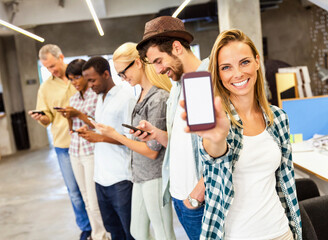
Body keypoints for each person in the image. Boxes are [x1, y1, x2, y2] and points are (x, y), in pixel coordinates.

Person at [180, 29, 302, 239]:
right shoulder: (219, 121)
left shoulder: (278, 118)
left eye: (244, 62)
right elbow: (215, 161)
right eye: (226, 67)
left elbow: (285, 182)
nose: (237, 74)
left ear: (256, 61)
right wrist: (216, 139)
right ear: (218, 74)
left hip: (281, 231)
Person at [135, 16, 208, 239]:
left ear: (176, 48)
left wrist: (197, 195)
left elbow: (229, 146)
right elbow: (183, 142)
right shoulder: (178, 86)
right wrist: (156, 134)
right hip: (178, 196)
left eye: (158, 61)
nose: (158, 70)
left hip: (198, 201)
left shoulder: (205, 81)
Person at [93, 42, 176, 240]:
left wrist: (114, 134)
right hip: (139, 175)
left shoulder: (158, 97)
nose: (123, 78)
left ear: (138, 63)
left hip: (154, 176)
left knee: (164, 232)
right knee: (137, 231)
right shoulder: (140, 95)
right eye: (119, 75)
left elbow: (152, 151)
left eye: (123, 72)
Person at [28, 44, 92, 240]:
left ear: (61, 57)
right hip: (64, 144)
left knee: (94, 189)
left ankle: (101, 224)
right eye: (47, 68)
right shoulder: (46, 87)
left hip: (89, 141)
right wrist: (42, 118)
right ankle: (86, 228)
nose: (51, 70)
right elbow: (47, 117)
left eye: (53, 65)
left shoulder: (81, 76)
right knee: (74, 191)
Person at [76, 56, 136, 240]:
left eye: (93, 80)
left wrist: (100, 138)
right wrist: (91, 130)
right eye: (87, 81)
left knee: (130, 233)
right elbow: (107, 128)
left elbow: (130, 139)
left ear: (106, 74)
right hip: (101, 178)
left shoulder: (126, 97)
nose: (90, 85)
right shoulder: (100, 98)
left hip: (121, 179)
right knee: (113, 231)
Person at [58, 59, 109, 240]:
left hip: (91, 151)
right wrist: (68, 117)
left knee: (95, 200)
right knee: (86, 199)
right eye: (71, 79)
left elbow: (97, 124)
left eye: (77, 77)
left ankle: (105, 235)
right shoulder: (72, 98)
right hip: (75, 151)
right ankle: (97, 235)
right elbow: (72, 128)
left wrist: (78, 114)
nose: (75, 82)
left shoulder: (96, 95)